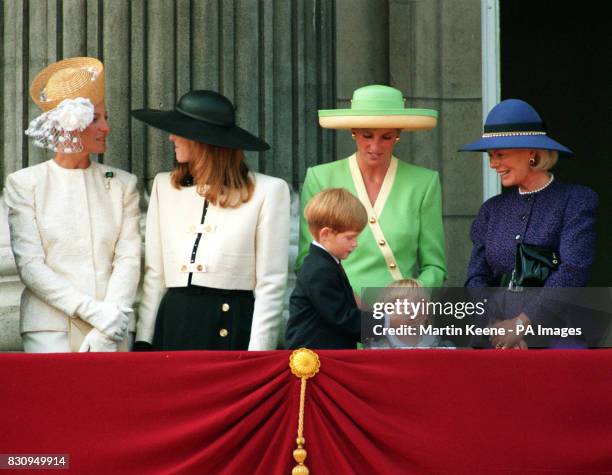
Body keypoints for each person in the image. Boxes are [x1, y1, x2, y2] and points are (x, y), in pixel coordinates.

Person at [132, 90, 290, 351]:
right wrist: (144, 339)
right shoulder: (164, 186)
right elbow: (155, 274)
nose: (171, 137)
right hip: (174, 322)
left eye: (178, 131)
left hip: (230, 322)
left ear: (201, 140)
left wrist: (259, 353)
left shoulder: (269, 191)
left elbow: (270, 284)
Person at [4, 57, 141, 353]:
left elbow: (128, 258)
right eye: (95, 119)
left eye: (105, 117)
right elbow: (30, 266)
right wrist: (93, 311)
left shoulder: (123, 184)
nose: (106, 127)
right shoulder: (25, 183)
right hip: (49, 327)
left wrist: (109, 320)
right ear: (70, 124)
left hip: (114, 325)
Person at [460, 98, 598, 349]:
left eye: (500, 155)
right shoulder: (491, 210)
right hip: (496, 340)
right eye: (491, 156)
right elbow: (475, 278)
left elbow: (573, 270)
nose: (493, 164)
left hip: (556, 337)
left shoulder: (576, 201)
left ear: (531, 154)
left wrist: (523, 324)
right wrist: (497, 327)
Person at [296, 85, 447, 295]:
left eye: (386, 137)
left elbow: (435, 267)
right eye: (367, 135)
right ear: (354, 132)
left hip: (401, 314)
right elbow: (307, 259)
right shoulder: (321, 178)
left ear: (398, 135)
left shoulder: (423, 183)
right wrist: (345, 303)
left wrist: (413, 295)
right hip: (336, 312)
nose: (375, 147)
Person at [285, 188, 368, 349]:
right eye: (349, 237)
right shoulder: (320, 270)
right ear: (325, 235)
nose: (355, 243)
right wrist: (384, 326)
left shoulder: (325, 263)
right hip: (313, 360)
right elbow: (342, 317)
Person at [365, 278, 455, 349]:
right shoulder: (377, 348)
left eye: (418, 303)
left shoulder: (438, 345)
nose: (412, 310)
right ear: (386, 314)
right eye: (402, 305)